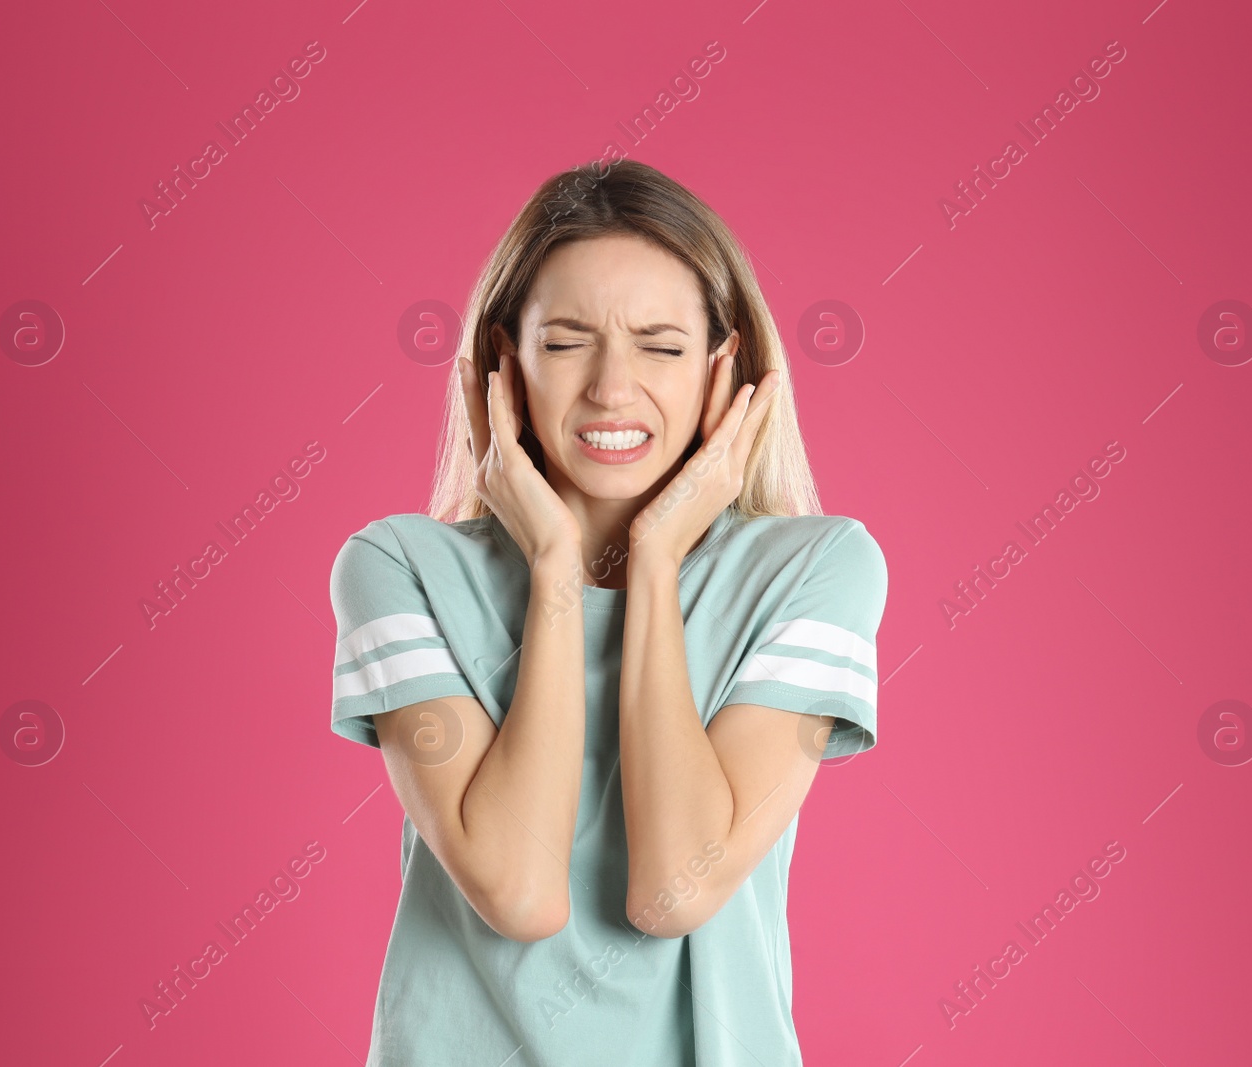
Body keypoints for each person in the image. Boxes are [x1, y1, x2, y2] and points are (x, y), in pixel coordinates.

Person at [328, 158, 888, 1066]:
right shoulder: (400, 569)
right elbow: (519, 892)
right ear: (503, 364)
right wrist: (555, 570)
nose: (612, 388)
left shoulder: (816, 571)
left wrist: (656, 562)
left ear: (724, 368)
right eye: (566, 342)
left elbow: (673, 888)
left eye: (661, 346)